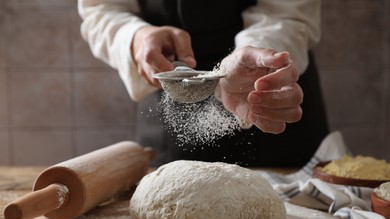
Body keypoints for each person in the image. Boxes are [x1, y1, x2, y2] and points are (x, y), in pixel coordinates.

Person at [78, 0, 329, 167]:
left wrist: (260, 60)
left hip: (264, 87)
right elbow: (100, 9)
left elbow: (288, 13)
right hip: (166, 91)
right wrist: (135, 38)